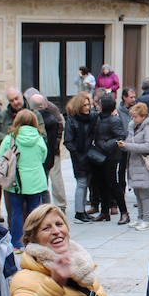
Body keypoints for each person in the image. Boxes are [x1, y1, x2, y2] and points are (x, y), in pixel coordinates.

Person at [0, 109, 49, 245]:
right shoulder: (39, 138)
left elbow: (0, 157)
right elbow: (43, 157)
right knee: (35, 213)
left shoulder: (10, 139)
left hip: (16, 182)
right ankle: (35, 241)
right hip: (36, 181)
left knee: (17, 212)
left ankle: (17, 243)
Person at [121, 102, 149, 232]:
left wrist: (128, 146)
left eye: (135, 116)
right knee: (138, 193)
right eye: (132, 116)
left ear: (143, 116)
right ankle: (140, 218)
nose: (133, 119)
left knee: (145, 194)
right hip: (134, 165)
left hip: (144, 165)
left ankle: (147, 220)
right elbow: (130, 141)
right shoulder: (133, 127)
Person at [91, 95, 129, 225]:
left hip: (110, 156)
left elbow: (120, 136)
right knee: (101, 184)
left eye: (99, 103)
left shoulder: (114, 120)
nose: (97, 105)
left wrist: (105, 144)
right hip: (98, 155)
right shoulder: (97, 117)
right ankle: (104, 212)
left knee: (113, 184)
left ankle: (124, 212)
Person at [63, 93, 97, 223]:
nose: (87, 107)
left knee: (86, 183)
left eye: (88, 104)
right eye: (84, 105)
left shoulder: (92, 117)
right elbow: (68, 141)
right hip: (79, 156)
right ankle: (79, 212)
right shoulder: (72, 120)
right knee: (81, 183)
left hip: (90, 155)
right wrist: (77, 153)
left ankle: (82, 211)